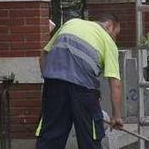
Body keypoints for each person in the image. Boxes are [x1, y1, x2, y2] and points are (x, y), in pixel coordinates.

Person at [36, 14, 124, 149]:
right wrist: (116, 116)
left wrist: (49, 81)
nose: (115, 39)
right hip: (84, 90)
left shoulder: (71, 23)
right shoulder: (107, 40)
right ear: (110, 26)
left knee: (50, 137)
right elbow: (115, 83)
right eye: (116, 35)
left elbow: (43, 55)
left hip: (54, 85)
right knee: (89, 138)